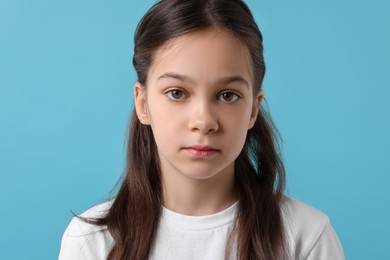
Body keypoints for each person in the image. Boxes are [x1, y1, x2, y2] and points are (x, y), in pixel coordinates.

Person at [59, 0, 345, 259]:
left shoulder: (307, 237)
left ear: (253, 109)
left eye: (228, 95)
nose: (204, 120)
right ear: (143, 103)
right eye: (176, 93)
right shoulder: (91, 242)